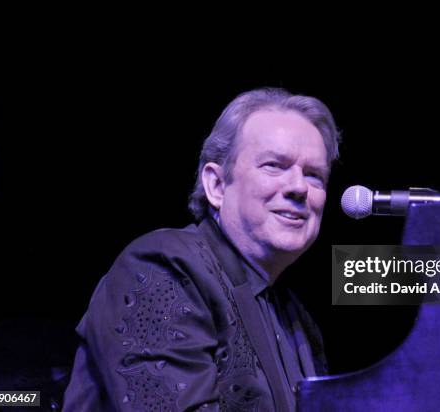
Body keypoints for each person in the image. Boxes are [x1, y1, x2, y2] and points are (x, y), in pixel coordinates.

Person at [62, 87, 341, 411]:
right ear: (217, 185)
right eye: (274, 165)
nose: (299, 187)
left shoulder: (294, 314)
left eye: (314, 175)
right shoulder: (161, 266)